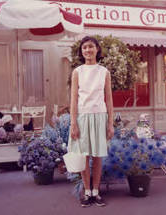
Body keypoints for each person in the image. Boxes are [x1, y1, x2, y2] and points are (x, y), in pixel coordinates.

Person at [68, 36, 114, 207]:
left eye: (91, 47)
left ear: (97, 49)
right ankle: (87, 192)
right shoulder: (77, 72)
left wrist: (110, 124)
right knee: (83, 156)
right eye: (84, 47)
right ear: (81, 51)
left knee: (98, 156)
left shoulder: (104, 72)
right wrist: (73, 123)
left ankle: (96, 191)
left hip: (100, 116)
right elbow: (73, 99)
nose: (87, 50)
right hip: (82, 116)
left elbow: (108, 99)